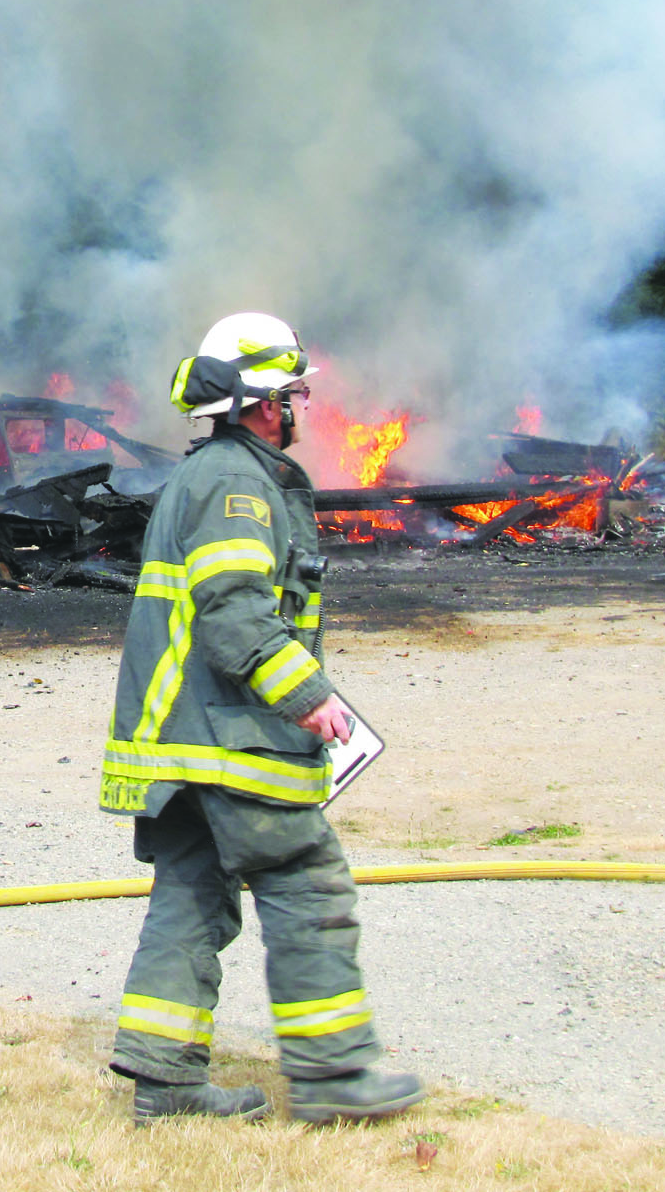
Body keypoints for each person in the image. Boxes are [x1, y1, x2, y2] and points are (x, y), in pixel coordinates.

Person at [99, 312, 425, 1126]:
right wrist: (311, 700)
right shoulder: (239, 486)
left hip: (181, 742)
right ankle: (337, 1077)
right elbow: (237, 614)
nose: (298, 410)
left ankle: (166, 1083)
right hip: (227, 739)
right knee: (307, 881)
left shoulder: (206, 475)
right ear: (261, 402)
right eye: (292, 394)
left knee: (192, 897)